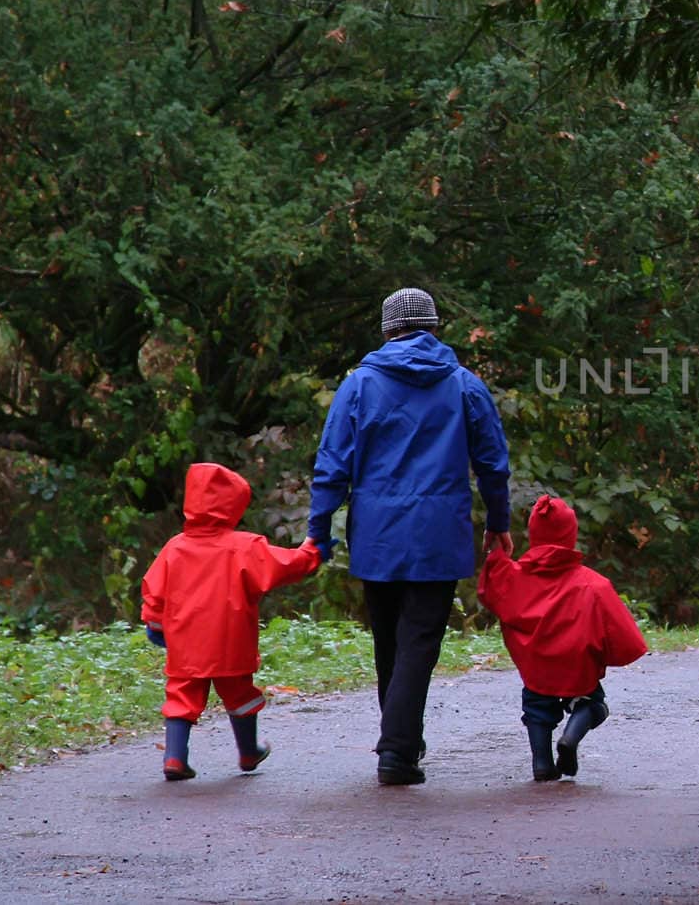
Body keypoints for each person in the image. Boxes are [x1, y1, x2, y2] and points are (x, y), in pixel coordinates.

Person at [309, 287, 511, 785]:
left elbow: (332, 466)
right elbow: (493, 464)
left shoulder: (358, 387)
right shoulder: (464, 385)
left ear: (387, 330)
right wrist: (499, 523)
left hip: (377, 535)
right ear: (434, 327)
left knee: (389, 641)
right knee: (419, 641)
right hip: (439, 535)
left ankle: (401, 742)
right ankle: (398, 751)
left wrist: (319, 531)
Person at [141, 462, 328, 781]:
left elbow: (153, 590)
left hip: (186, 641)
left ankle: (174, 757)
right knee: (240, 694)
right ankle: (247, 751)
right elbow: (284, 564)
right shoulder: (245, 546)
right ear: (233, 506)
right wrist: (313, 552)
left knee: (181, 695)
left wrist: (155, 625)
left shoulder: (175, 548)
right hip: (231, 640)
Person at [477, 494, 647, 781]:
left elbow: (491, 585)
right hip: (577, 665)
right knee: (592, 704)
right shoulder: (593, 585)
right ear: (572, 535)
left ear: (533, 535)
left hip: (537, 666)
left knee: (537, 710)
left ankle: (542, 763)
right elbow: (623, 635)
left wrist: (497, 550)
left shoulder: (515, 577)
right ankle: (571, 736)